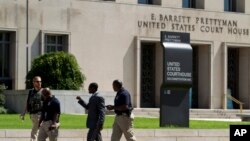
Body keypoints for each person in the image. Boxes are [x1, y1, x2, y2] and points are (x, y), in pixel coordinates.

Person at [21, 76, 43, 141]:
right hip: (32, 115)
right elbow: (28, 102)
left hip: (39, 115)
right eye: (37, 81)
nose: (39, 83)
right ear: (33, 82)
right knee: (37, 131)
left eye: (40, 81)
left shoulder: (43, 91)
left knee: (34, 132)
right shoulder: (31, 92)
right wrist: (24, 113)